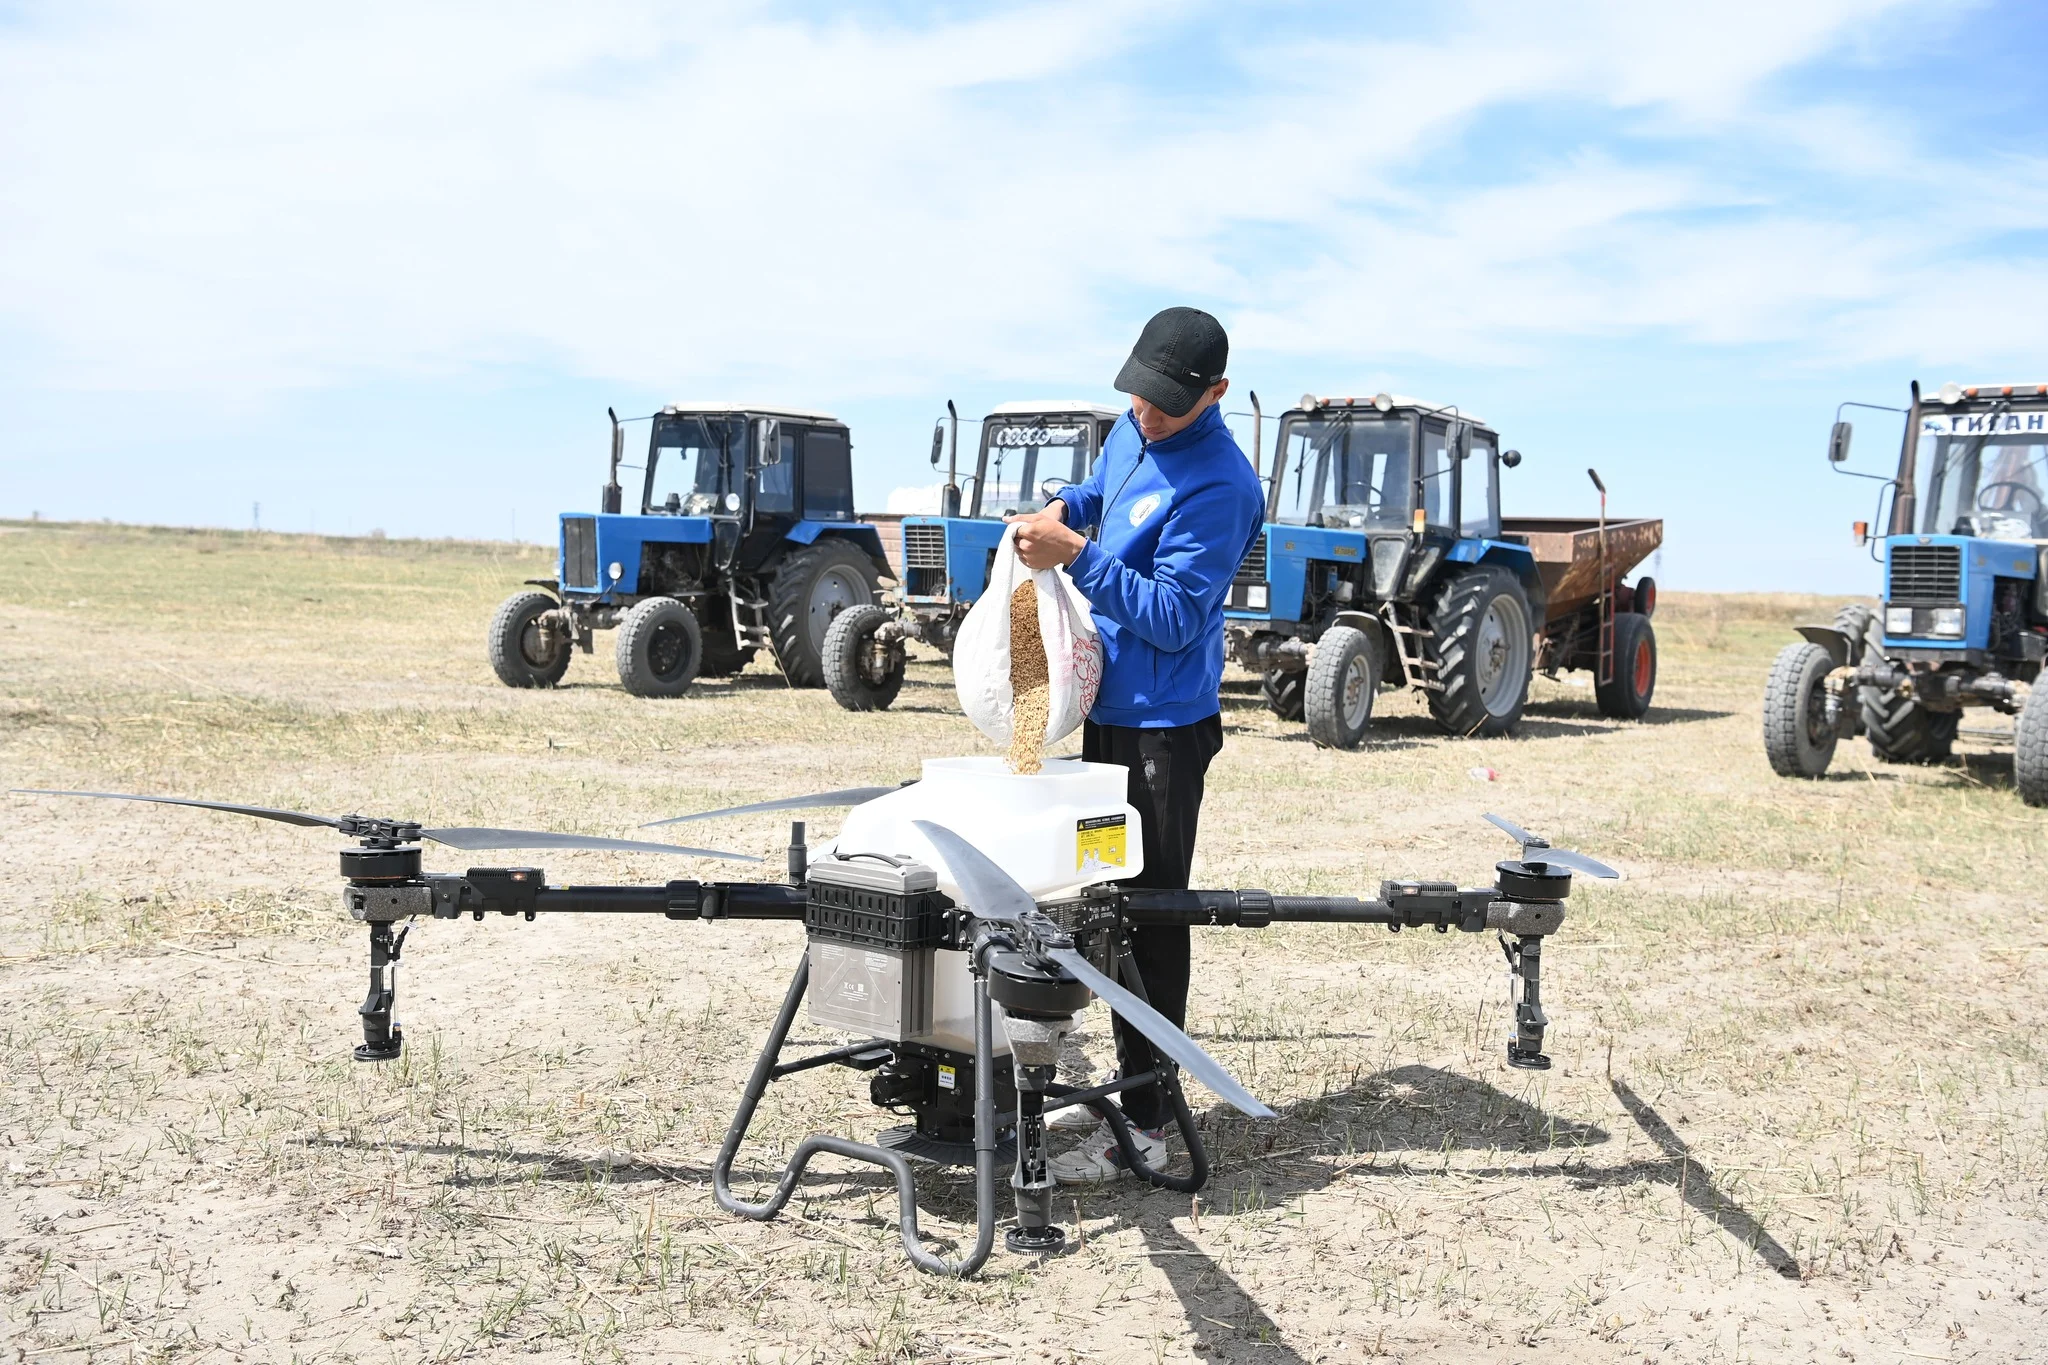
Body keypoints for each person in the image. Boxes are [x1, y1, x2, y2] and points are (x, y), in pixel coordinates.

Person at [1005, 306, 1265, 1183]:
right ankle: (1126, 1091)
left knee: (1149, 919)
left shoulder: (1223, 486)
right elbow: (1098, 492)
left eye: (1165, 403)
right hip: (1108, 711)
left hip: (1163, 729)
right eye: (1137, 395)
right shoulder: (1134, 427)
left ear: (1215, 393)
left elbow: (1173, 615)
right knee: (1102, 902)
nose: (1146, 414)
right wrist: (1063, 509)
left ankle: (1149, 1125)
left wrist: (1075, 553)